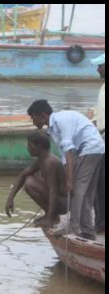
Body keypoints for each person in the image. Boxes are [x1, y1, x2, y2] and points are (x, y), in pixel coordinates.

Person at [27, 99, 105, 239]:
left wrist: (70, 179)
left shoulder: (61, 120)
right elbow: (64, 156)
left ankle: (73, 226)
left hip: (90, 148)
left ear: (43, 115)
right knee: (87, 192)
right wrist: (67, 175)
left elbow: (69, 150)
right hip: (92, 149)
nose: (33, 122)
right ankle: (87, 230)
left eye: (33, 118)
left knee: (78, 190)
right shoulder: (52, 129)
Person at [5, 132, 67, 228]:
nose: (28, 148)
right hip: (58, 200)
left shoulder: (50, 162)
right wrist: (10, 198)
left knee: (30, 183)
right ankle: (50, 215)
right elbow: (23, 175)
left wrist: (50, 219)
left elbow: (53, 191)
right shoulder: (42, 159)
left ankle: (52, 217)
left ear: (39, 147)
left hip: (64, 203)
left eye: (30, 146)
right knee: (28, 179)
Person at [88, 53, 105, 234]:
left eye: (100, 66)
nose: (97, 69)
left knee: (100, 181)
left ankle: (101, 222)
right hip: (101, 137)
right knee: (99, 181)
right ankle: (101, 220)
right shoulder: (102, 87)